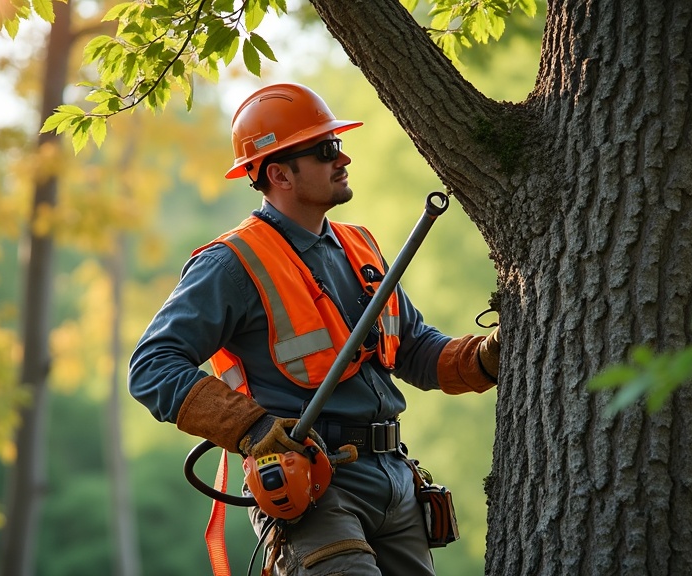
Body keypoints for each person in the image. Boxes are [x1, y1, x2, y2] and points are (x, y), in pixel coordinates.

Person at [128, 82, 500, 576]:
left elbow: (413, 349)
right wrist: (253, 428)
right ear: (278, 173)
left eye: (339, 146)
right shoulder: (232, 264)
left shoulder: (359, 247)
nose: (342, 159)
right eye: (326, 150)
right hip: (311, 484)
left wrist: (489, 356)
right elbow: (151, 367)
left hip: (394, 478)